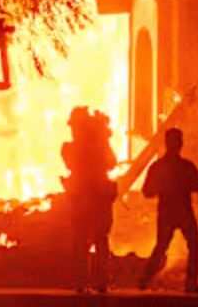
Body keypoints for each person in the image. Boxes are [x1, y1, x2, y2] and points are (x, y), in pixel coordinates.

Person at [138, 128, 198, 293]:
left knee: (161, 247)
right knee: (193, 246)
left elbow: (147, 192)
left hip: (167, 212)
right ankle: (190, 284)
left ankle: (144, 280)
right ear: (180, 144)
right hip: (183, 211)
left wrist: (161, 187)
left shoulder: (157, 167)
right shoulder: (186, 166)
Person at [61, 107, 118, 293]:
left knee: (83, 240)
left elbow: (109, 162)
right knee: (97, 240)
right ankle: (99, 281)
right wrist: (103, 137)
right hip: (95, 197)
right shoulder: (93, 147)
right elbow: (111, 163)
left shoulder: (72, 148)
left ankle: (84, 281)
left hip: (85, 197)